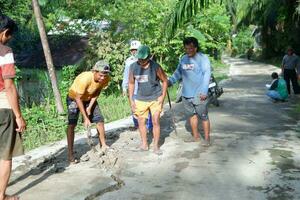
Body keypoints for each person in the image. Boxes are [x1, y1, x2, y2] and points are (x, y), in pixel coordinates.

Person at [0, 14, 26, 200]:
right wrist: (18, 115)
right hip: (3, 108)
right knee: (5, 155)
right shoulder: (5, 51)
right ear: (5, 33)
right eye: (10, 36)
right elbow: (9, 86)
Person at [168, 37, 211, 146]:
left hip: (199, 93)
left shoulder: (203, 58)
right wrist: (170, 81)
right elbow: (178, 73)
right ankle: (196, 137)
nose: (189, 50)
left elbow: (207, 74)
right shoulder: (183, 59)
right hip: (186, 94)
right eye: (186, 48)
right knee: (192, 116)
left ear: (196, 48)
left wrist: (204, 91)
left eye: (191, 48)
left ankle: (206, 139)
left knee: (204, 116)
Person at [66, 60, 111, 163]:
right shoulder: (84, 79)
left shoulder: (106, 78)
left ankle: (103, 145)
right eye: (100, 75)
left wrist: (90, 107)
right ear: (94, 72)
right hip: (74, 98)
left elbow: (97, 91)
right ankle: (70, 153)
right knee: (72, 124)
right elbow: (78, 98)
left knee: (99, 120)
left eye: (105, 75)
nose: (103, 78)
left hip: (89, 98)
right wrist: (85, 117)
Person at [128, 45, 168, 154]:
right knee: (141, 122)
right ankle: (144, 144)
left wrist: (162, 97)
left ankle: (156, 146)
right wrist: (131, 100)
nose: (141, 61)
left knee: (155, 121)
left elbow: (165, 81)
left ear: (149, 57)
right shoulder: (133, 67)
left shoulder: (155, 67)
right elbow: (131, 83)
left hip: (155, 97)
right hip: (140, 98)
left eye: (143, 59)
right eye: (139, 59)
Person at [122, 40, 153, 130]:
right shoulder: (128, 62)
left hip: (147, 89)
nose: (134, 51)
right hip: (134, 89)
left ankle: (149, 125)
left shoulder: (148, 60)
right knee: (135, 108)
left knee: (148, 108)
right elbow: (126, 75)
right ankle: (137, 125)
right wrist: (124, 87)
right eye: (132, 50)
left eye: (136, 49)